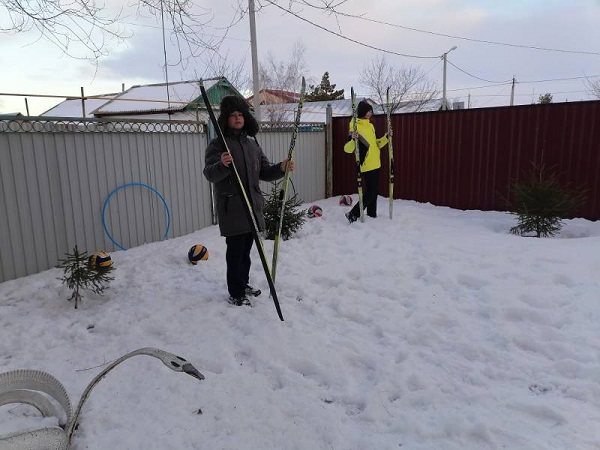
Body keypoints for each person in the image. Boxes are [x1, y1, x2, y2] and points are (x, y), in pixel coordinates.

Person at [203, 95, 295, 306]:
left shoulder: (252, 144)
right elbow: (209, 174)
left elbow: (264, 171)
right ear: (226, 118)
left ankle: (243, 284)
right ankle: (236, 292)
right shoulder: (218, 145)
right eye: (233, 115)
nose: (237, 118)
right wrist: (222, 165)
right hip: (232, 207)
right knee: (235, 253)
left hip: (252, 206)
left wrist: (281, 168)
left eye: (240, 114)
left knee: (246, 251)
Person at [343, 100, 389, 223]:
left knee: (373, 192)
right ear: (362, 111)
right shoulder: (354, 125)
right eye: (368, 111)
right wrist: (352, 139)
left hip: (376, 163)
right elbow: (347, 148)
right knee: (371, 192)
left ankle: (372, 215)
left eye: (371, 111)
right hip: (366, 164)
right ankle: (353, 213)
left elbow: (376, 145)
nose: (370, 113)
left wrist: (386, 138)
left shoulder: (370, 126)